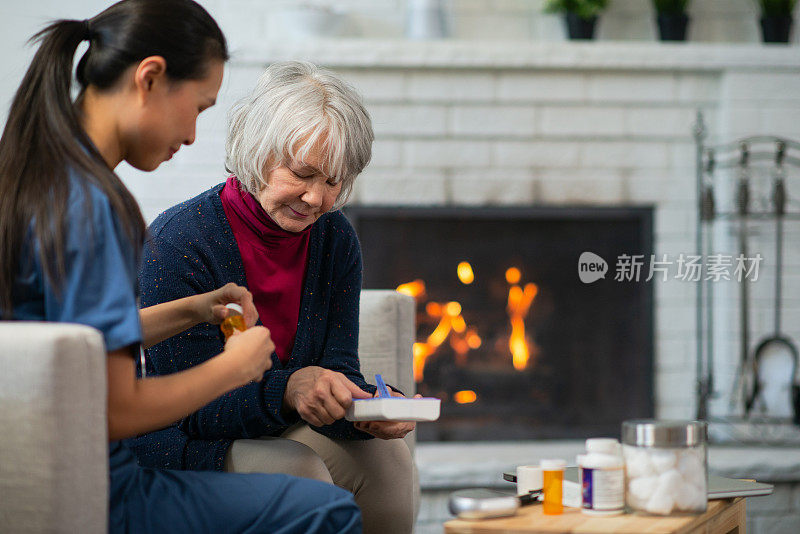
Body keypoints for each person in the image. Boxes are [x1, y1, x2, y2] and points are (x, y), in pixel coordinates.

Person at [0, 2, 361, 533]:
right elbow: (117, 411)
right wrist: (234, 367)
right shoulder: (97, 208)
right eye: (198, 107)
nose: (193, 135)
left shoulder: (41, 174)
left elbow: (71, 341)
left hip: (59, 457)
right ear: (150, 78)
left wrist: (192, 310)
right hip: (104, 480)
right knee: (324, 510)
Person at [132, 61, 417, 534]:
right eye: (302, 173)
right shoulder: (181, 241)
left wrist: (365, 407)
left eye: (333, 181)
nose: (316, 199)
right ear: (255, 152)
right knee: (296, 471)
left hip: (276, 425)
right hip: (185, 440)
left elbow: (338, 367)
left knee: (387, 458)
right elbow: (187, 407)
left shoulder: (335, 239)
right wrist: (289, 390)